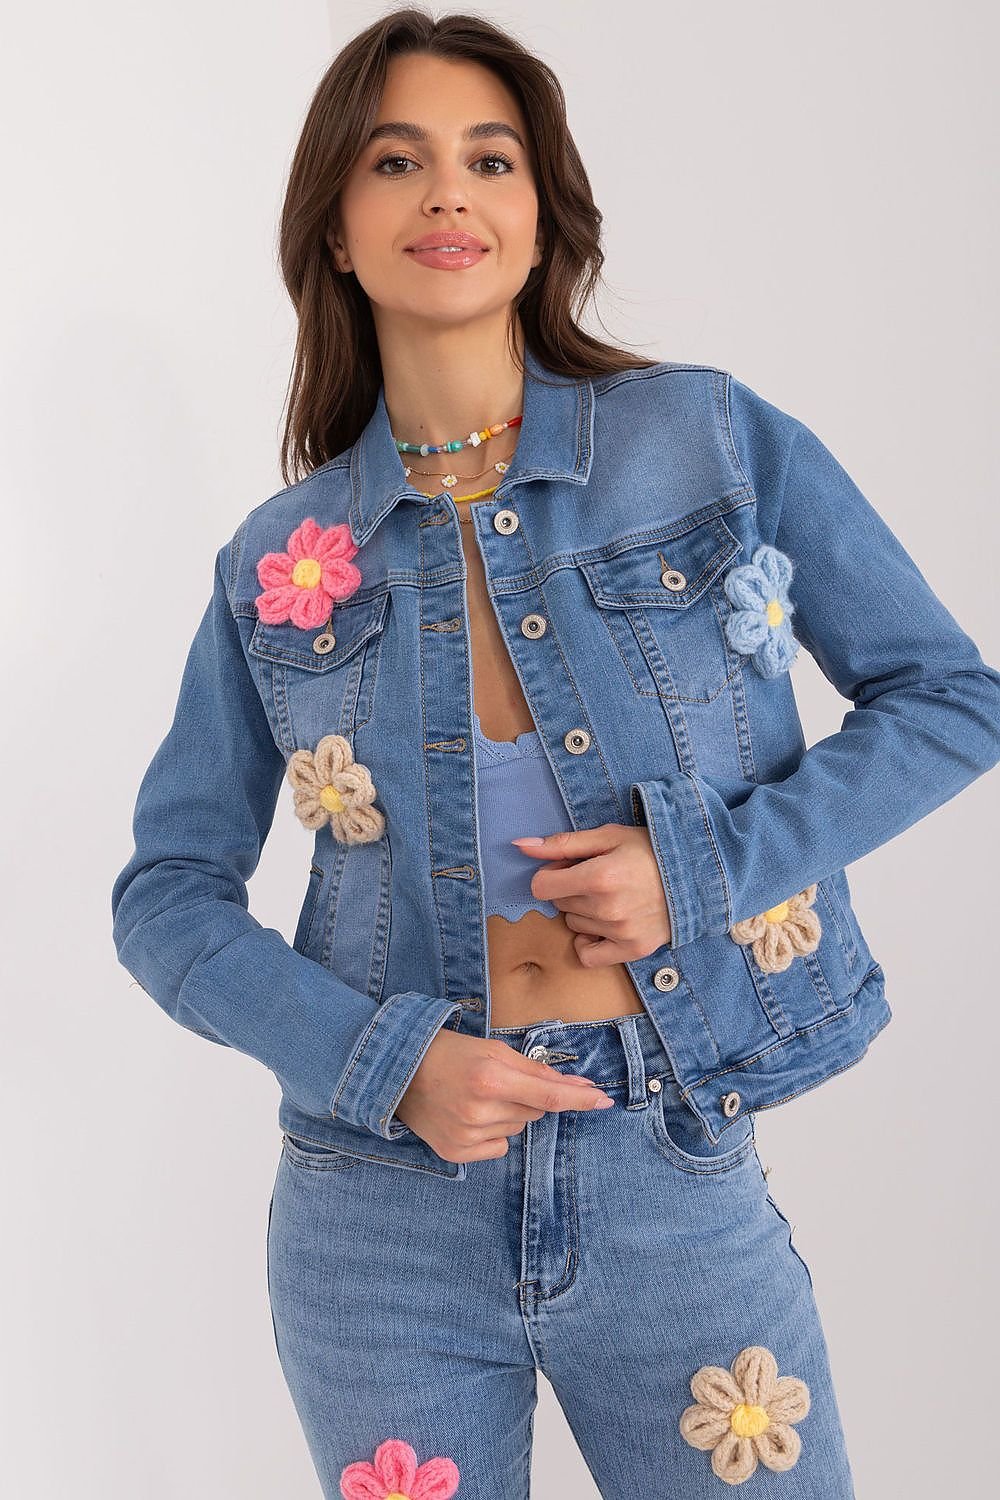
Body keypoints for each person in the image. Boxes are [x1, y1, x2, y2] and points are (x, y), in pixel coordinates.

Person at [110, 10, 1000, 1499]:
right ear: (336, 229)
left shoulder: (706, 441)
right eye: (397, 161)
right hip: (377, 1221)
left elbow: (950, 698)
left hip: (668, 1163)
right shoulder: (281, 559)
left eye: (491, 159)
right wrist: (380, 1064)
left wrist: (698, 871)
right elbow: (167, 894)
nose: (448, 194)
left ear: (540, 217)